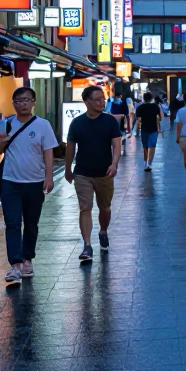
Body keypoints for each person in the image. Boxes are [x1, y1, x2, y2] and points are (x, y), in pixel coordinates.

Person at [0, 87, 57, 284]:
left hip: (34, 182)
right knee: (12, 224)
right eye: (18, 101)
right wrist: (1, 143)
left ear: (33, 102)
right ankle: (15, 265)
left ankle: (27, 259)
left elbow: (48, 152)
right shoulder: (6, 124)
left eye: (27, 100)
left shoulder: (43, 125)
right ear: (14, 104)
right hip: (10, 182)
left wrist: (49, 176)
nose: (23, 104)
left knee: (31, 223)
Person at [65, 85, 123, 262]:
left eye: (103, 99)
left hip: (105, 172)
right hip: (82, 172)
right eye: (97, 99)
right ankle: (87, 245)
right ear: (86, 102)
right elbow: (70, 147)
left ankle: (103, 231)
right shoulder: (77, 123)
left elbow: (117, 145)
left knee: (105, 208)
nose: (101, 102)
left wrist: (114, 164)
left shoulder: (110, 121)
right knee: (85, 207)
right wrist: (68, 169)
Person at [134, 92, 162, 171]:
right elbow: (160, 118)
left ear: (143, 98)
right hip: (154, 129)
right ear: (151, 98)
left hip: (144, 129)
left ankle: (145, 163)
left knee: (145, 147)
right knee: (152, 147)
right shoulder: (155, 106)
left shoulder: (140, 107)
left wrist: (137, 129)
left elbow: (139, 120)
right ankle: (149, 164)